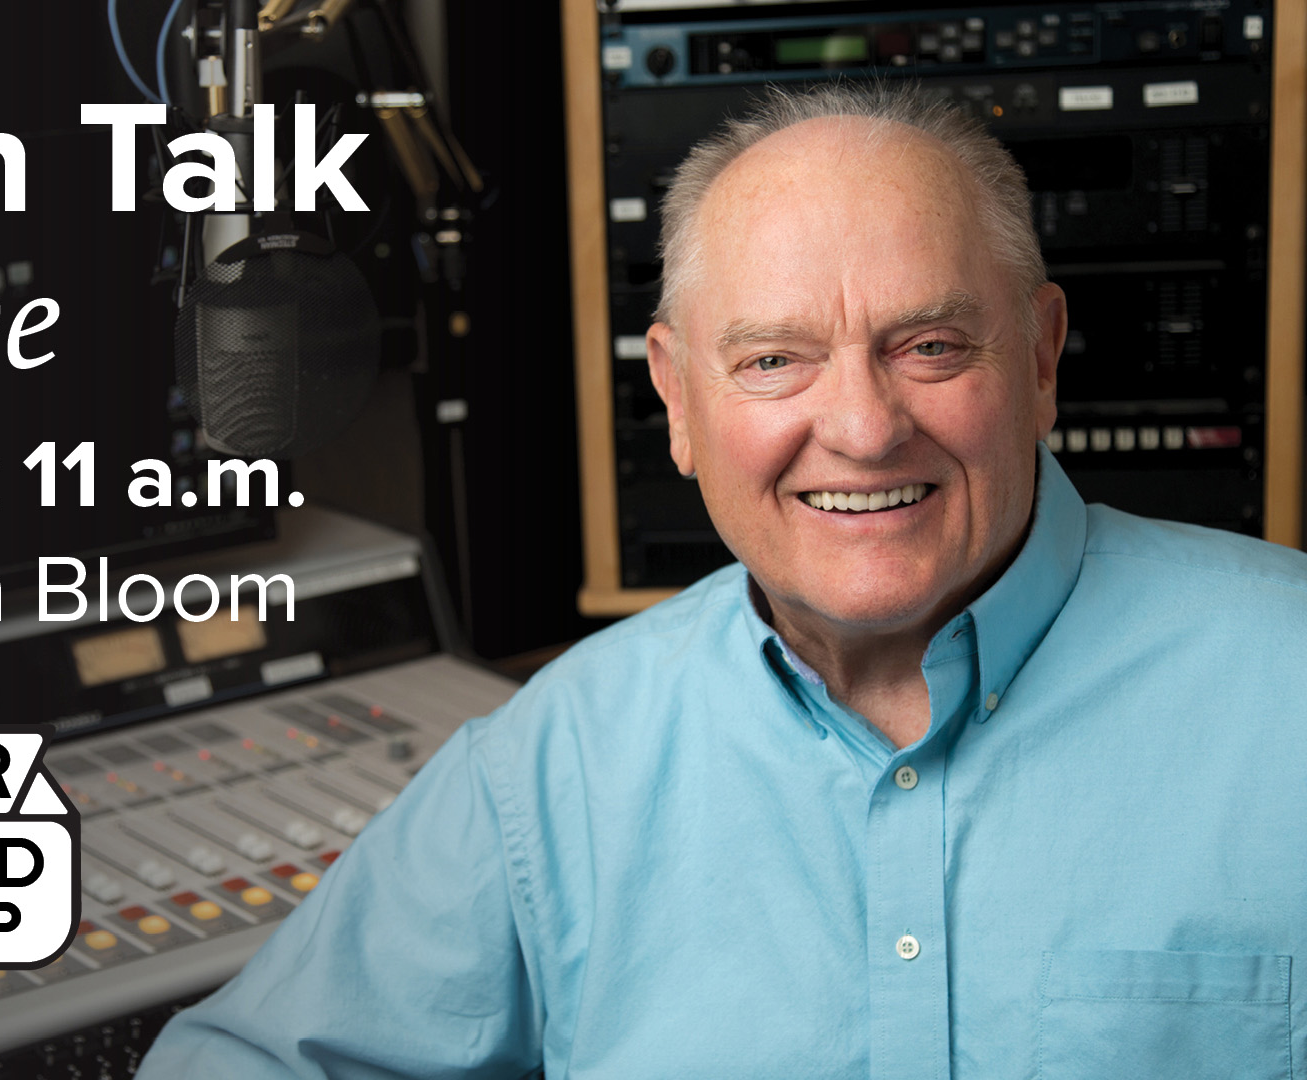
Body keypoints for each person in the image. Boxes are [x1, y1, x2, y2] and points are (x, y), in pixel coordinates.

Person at [136, 84, 1307, 1078]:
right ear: (680, 399)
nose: (859, 425)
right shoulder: (554, 767)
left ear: (1043, 359)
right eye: (773, 360)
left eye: (930, 347)